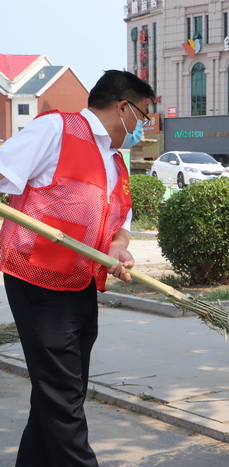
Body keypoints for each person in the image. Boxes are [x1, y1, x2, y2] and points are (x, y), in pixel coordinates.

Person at [0, 70, 155, 466]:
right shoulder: (56, 129)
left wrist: (119, 248)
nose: (143, 128)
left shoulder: (115, 162)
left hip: (80, 285)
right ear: (124, 107)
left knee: (59, 394)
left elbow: (118, 226)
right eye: (144, 116)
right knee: (64, 399)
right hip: (38, 283)